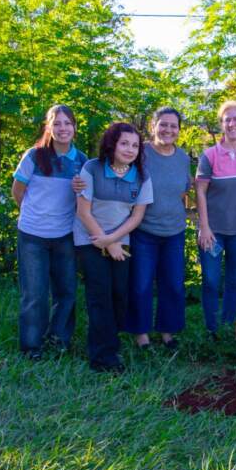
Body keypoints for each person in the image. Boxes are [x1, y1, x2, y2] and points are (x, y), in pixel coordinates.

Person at [74, 122, 153, 372]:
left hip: (120, 241)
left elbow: (136, 217)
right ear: (111, 144)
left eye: (135, 145)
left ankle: (111, 341)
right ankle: (102, 357)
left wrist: (112, 241)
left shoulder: (142, 176)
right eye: (124, 143)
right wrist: (105, 241)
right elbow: (83, 212)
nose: (130, 149)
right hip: (90, 239)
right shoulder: (92, 169)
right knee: (100, 296)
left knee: (119, 294)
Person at [12, 104, 87, 360]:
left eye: (67, 123)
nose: (62, 128)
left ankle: (59, 340)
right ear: (49, 127)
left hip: (65, 236)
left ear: (74, 127)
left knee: (66, 292)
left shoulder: (82, 161)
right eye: (57, 123)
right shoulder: (34, 156)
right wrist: (34, 215)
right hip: (32, 235)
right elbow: (17, 191)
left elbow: (85, 200)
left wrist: (80, 189)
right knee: (35, 293)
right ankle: (32, 347)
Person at [125, 107, 192, 350]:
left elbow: (184, 190)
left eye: (173, 126)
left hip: (174, 231)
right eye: (163, 124)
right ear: (153, 126)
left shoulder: (183, 158)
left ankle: (167, 331)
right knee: (141, 284)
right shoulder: (140, 152)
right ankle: (141, 333)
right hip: (144, 230)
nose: (168, 130)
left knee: (173, 283)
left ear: (179, 130)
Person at [195, 100, 236, 339]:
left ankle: (228, 326)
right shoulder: (210, 155)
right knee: (211, 281)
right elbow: (200, 191)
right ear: (222, 124)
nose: (232, 124)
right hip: (213, 232)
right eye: (227, 120)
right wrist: (204, 227)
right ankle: (212, 330)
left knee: (234, 281)